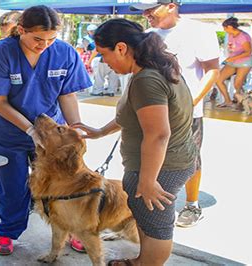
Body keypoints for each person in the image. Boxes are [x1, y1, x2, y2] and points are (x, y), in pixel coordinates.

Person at [73, 18, 196, 266]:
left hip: (162, 167)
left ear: (121, 47)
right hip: (169, 161)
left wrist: (148, 181)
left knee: (157, 225)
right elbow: (133, 115)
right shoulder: (153, 69)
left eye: (104, 54)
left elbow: (158, 134)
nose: (104, 62)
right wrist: (99, 132)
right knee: (146, 218)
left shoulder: (146, 80)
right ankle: (142, 260)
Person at [0, 5, 92, 256]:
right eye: (38, 39)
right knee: (14, 185)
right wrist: (31, 130)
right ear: (21, 30)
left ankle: (74, 229)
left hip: (52, 134)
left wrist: (75, 129)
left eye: (51, 39)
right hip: (7, 131)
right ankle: (7, 231)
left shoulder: (64, 53)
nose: (45, 45)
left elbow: (67, 94)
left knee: (64, 184)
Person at [131, 0, 220, 228]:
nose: (147, 14)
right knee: (148, 156)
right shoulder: (147, 35)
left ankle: (192, 204)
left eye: (151, 9)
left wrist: (189, 103)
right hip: (152, 110)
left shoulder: (198, 31)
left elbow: (212, 70)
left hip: (187, 113)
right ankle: (147, 202)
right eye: (144, 11)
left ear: (171, 5)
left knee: (190, 159)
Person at [215, 17, 252, 108]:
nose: (224, 30)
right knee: (218, 79)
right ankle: (227, 101)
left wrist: (233, 58)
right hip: (233, 61)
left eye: (225, 28)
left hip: (245, 62)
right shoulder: (230, 35)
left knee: (237, 83)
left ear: (229, 27)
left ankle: (241, 102)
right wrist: (230, 58)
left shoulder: (243, 36)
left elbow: (248, 52)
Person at [85, 24, 120, 97]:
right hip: (114, 59)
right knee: (113, 75)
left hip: (101, 59)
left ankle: (98, 91)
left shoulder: (99, 38)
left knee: (99, 76)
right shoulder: (116, 38)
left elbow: (96, 50)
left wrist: (89, 61)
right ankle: (111, 90)